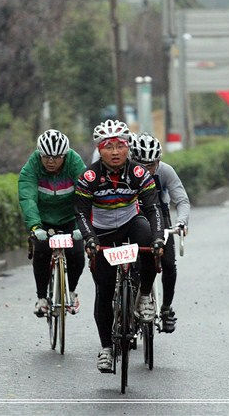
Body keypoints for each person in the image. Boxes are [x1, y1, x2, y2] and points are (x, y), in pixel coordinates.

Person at [74, 119, 164, 372]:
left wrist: (158, 238)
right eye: (108, 146)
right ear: (99, 149)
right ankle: (105, 348)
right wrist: (90, 238)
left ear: (128, 147)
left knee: (149, 239)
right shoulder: (89, 177)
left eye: (120, 146)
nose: (115, 152)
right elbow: (80, 212)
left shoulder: (138, 174)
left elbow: (153, 207)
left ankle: (144, 295)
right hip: (101, 232)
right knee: (103, 289)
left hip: (129, 222)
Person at [18, 129, 86, 317]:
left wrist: (82, 225)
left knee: (77, 253)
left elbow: (86, 194)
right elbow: (27, 198)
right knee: (41, 251)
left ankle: (71, 291)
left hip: (70, 218)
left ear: (65, 155)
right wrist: (35, 226)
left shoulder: (74, 162)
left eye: (56, 157)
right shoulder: (31, 167)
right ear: (40, 154)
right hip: (44, 220)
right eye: (46, 156)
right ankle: (42, 298)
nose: (50, 161)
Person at [130, 133, 190, 333]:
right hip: (134, 214)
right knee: (136, 264)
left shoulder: (165, 171)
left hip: (160, 215)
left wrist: (181, 222)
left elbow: (181, 200)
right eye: (141, 165)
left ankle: (166, 309)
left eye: (151, 165)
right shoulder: (125, 172)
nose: (146, 170)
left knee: (168, 265)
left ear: (158, 161)